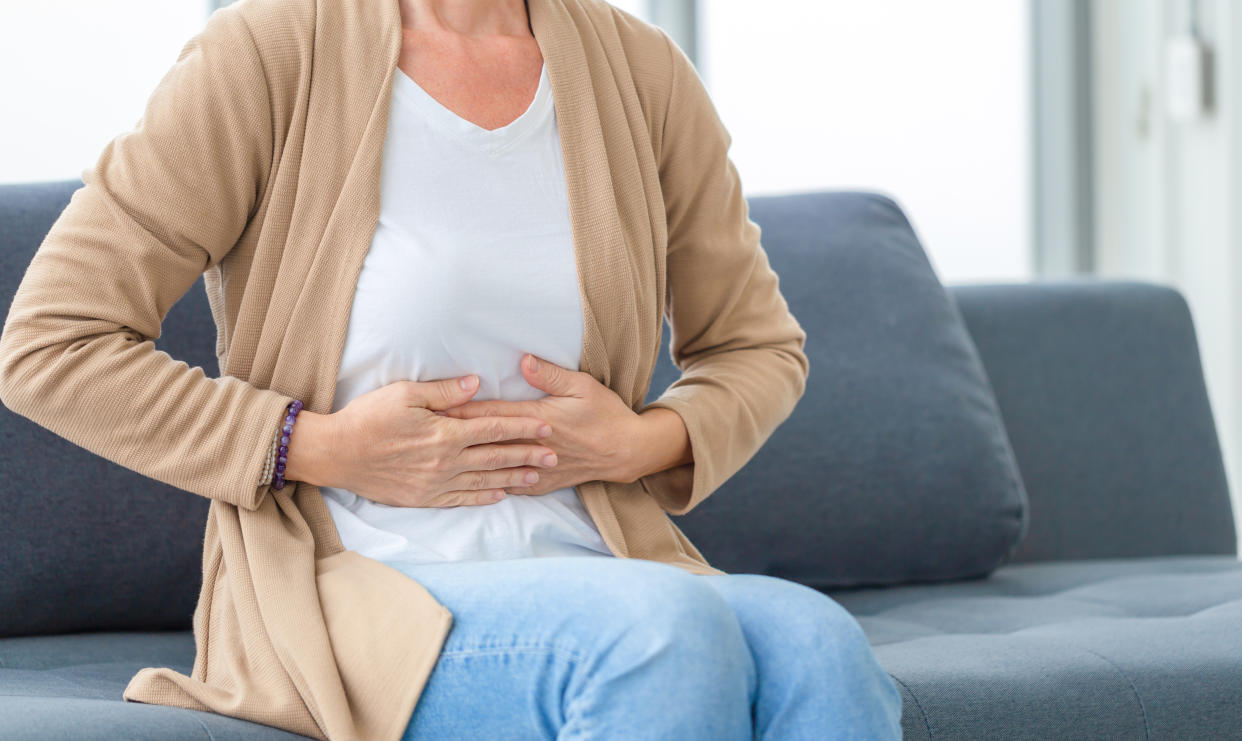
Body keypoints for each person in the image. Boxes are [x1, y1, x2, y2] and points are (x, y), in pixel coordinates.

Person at [0, 0, 903, 737]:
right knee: (661, 632)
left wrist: (642, 441)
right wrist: (312, 446)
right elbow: (51, 342)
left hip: (601, 559)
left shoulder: (643, 71)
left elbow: (758, 345)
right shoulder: (268, 53)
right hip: (352, 580)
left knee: (818, 642)